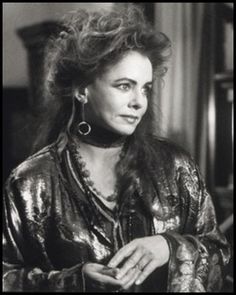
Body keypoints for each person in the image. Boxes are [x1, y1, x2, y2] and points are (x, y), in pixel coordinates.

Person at [3, 4, 231, 293]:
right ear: (81, 89)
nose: (139, 102)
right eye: (124, 86)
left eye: (145, 88)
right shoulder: (31, 183)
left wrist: (169, 247)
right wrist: (74, 281)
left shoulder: (176, 166)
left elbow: (220, 253)